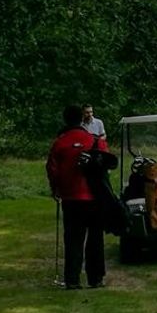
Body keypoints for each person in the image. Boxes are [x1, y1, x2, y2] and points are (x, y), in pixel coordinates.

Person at [47, 104, 110, 289]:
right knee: (95, 239)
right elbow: (106, 164)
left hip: (71, 198)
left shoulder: (59, 143)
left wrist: (55, 189)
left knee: (73, 239)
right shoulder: (95, 141)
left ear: (65, 119)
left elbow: (52, 169)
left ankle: (72, 279)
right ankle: (95, 278)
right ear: (82, 119)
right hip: (94, 197)